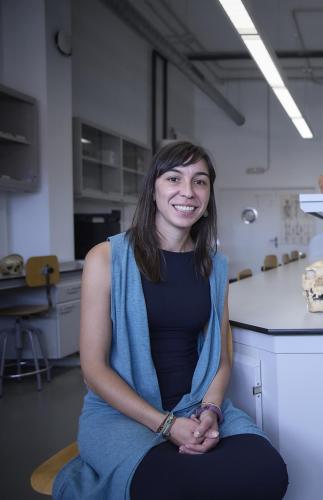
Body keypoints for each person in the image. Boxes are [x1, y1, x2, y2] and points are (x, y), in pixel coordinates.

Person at [54, 142, 288, 499]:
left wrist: (211, 410)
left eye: (200, 181)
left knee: (268, 473)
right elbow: (94, 369)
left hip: (194, 407)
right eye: (174, 178)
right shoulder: (106, 258)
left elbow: (221, 359)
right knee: (175, 487)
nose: (188, 191)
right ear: (153, 189)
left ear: (208, 196)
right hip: (122, 415)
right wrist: (166, 425)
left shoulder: (215, 265)